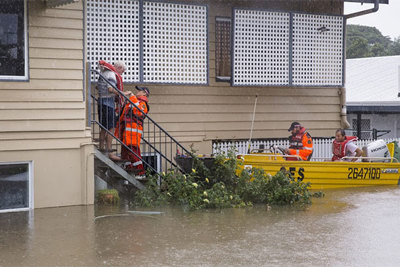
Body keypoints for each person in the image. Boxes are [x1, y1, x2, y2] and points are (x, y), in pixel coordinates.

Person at [97, 60, 131, 160]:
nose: (121, 74)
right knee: (111, 128)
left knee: (103, 127)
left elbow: (99, 87)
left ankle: (101, 147)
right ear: (119, 68)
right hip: (108, 103)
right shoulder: (111, 74)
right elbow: (110, 89)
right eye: (122, 72)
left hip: (101, 102)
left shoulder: (103, 72)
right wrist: (123, 93)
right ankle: (109, 152)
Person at [116, 86, 150, 176]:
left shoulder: (143, 103)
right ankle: (129, 171)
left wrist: (132, 96)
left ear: (144, 93)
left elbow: (139, 112)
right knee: (125, 154)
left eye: (139, 90)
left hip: (133, 133)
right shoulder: (134, 100)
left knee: (133, 153)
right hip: (126, 132)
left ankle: (140, 173)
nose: (137, 91)